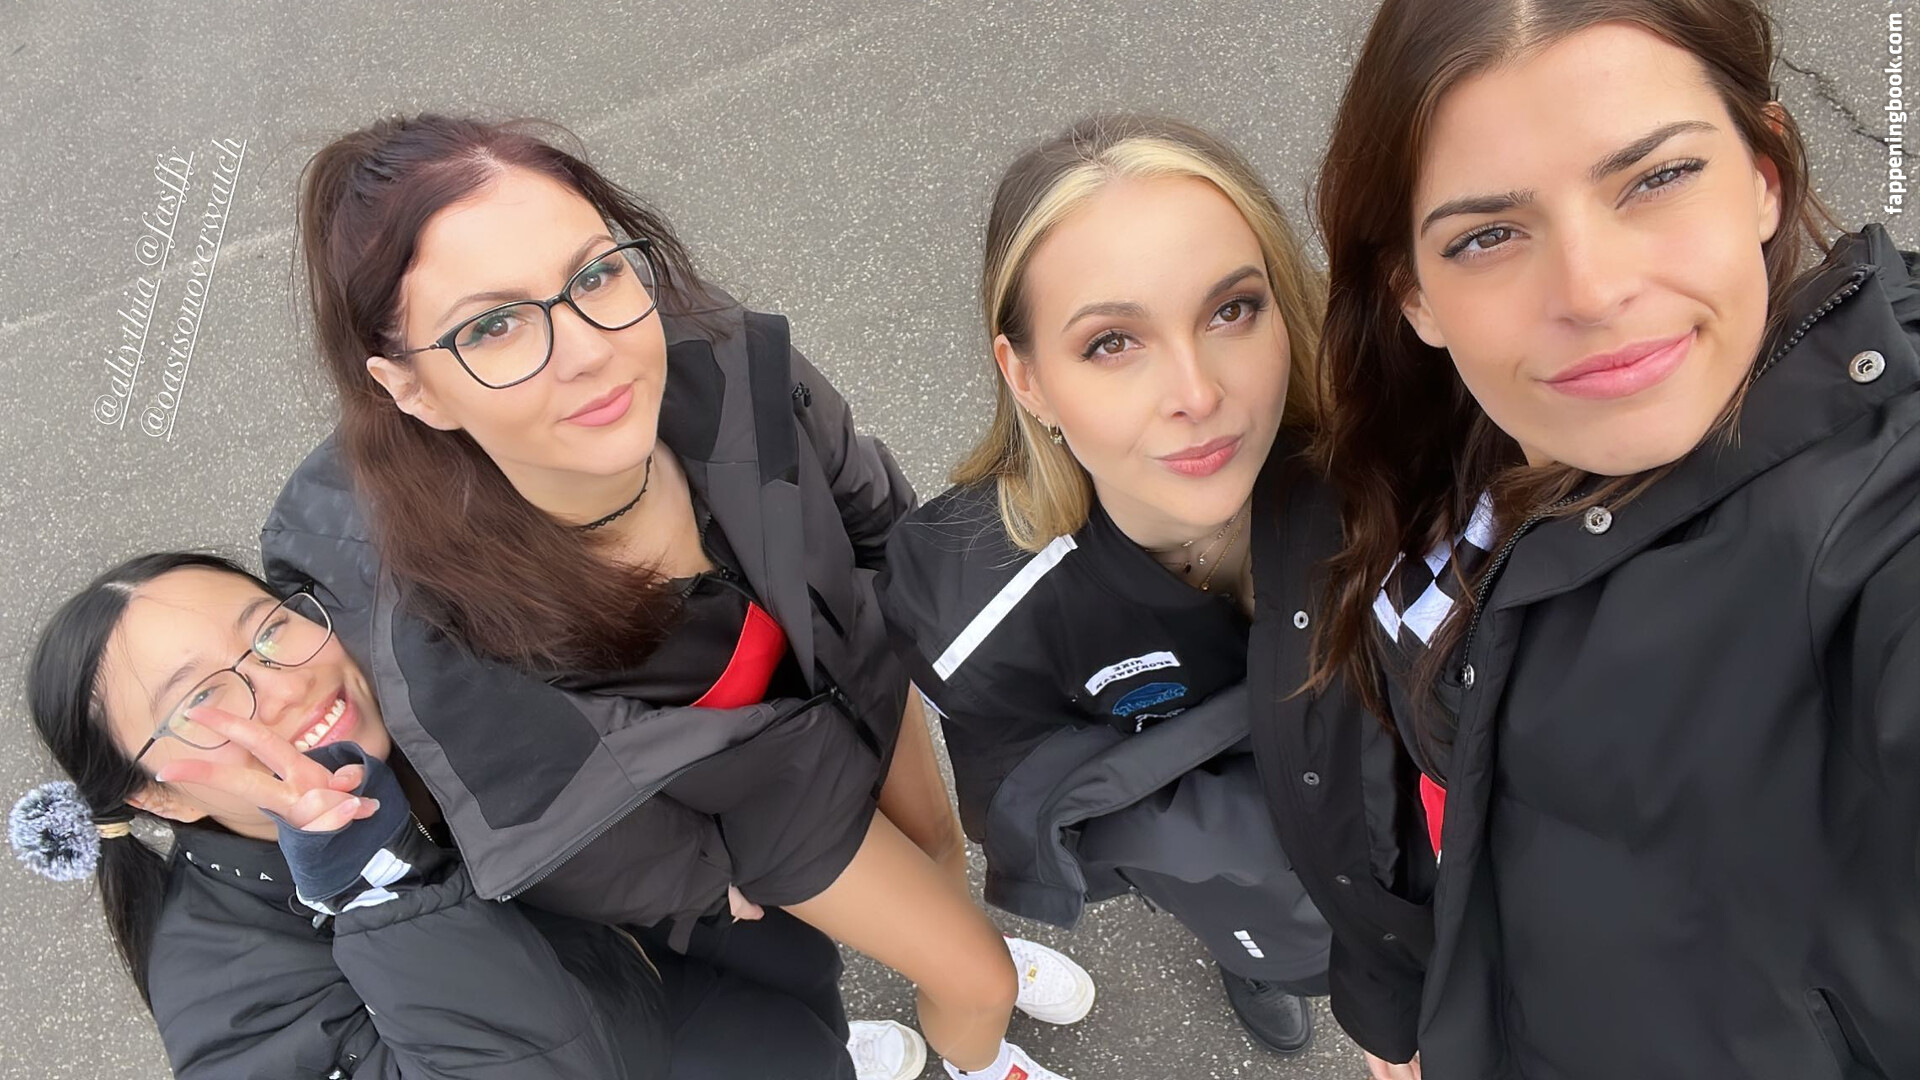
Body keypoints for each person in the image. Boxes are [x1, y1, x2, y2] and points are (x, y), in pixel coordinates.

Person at [262, 114, 1090, 1080]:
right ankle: (978, 1055)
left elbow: (860, 497)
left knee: (940, 850)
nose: (588, 351)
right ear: (411, 390)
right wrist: (699, 879)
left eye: (594, 276)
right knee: (979, 981)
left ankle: (947, 959)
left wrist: (912, 605)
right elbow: (558, 825)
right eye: (493, 326)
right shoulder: (439, 622)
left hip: (851, 659)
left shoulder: (720, 354)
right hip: (760, 806)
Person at [1303, 0, 1920, 1076]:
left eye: (1658, 177)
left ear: (1764, 175)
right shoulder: (1433, 440)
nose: (1591, 292)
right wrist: (1413, 1003)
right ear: (1416, 296)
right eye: (1487, 236)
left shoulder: (1879, 532)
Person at [8, 551, 855, 1078]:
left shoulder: (419, 683)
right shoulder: (229, 1008)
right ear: (156, 794)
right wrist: (376, 888)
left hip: (720, 959)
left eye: (266, 630)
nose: (284, 683)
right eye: (202, 700)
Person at [878, 114, 1333, 1059]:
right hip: (1224, 870)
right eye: (1113, 342)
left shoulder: (1398, 480)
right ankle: (1253, 962)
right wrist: (1220, 841)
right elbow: (1020, 795)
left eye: (1231, 310)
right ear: (1028, 380)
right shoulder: (974, 601)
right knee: (1256, 924)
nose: (1197, 394)